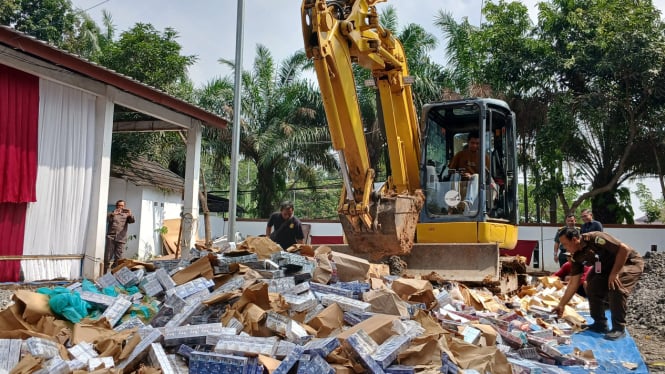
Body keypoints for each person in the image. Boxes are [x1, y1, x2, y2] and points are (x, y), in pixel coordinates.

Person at [552, 228, 644, 340]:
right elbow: (573, 283)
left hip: (628, 262)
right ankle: (600, 324)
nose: (565, 248)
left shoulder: (595, 238)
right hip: (606, 267)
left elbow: (624, 249)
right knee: (592, 285)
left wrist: (614, 273)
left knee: (615, 286)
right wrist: (561, 305)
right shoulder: (576, 256)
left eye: (566, 244)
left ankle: (619, 328)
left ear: (575, 239)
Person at [447, 131, 489, 213]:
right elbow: (450, 170)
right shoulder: (460, 155)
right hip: (460, 180)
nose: (475, 145)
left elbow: (486, 174)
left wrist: (471, 176)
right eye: (472, 143)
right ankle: (453, 202)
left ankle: (467, 203)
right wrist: (460, 173)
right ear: (468, 142)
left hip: (475, 182)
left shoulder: (484, 157)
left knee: (476, 176)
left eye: (477, 143)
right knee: (455, 175)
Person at [105, 200, 135, 272]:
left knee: (119, 257)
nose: (120, 207)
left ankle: (115, 271)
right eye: (119, 205)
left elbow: (132, 221)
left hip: (121, 238)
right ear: (116, 206)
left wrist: (130, 214)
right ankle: (104, 272)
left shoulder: (126, 215)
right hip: (111, 237)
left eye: (122, 206)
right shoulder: (112, 214)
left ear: (124, 206)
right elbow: (106, 219)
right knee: (108, 256)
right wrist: (113, 214)